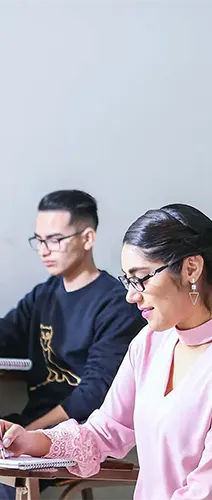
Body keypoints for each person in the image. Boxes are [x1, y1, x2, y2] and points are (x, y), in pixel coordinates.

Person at [0, 204, 212, 500]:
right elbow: (106, 430)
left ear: (191, 268)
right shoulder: (151, 341)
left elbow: (210, 489)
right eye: (128, 280)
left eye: (141, 277)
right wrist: (31, 440)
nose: (131, 295)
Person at [0, 190, 144, 499]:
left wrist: (31, 433)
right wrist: (24, 432)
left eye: (54, 239)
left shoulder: (116, 303)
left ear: (87, 237)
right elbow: (5, 336)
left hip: (81, 434)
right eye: (38, 240)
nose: (43, 250)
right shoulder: (44, 295)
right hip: (31, 427)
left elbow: (94, 394)